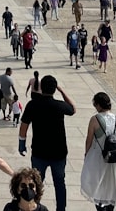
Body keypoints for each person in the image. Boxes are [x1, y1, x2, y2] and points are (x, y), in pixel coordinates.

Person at [19, 75, 76, 211]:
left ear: (40, 88)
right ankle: (61, 209)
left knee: (35, 184)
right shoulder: (59, 105)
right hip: (59, 152)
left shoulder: (33, 105)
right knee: (60, 184)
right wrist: (62, 91)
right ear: (54, 89)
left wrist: (22, 143)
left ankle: (33, 207)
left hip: (39, 151)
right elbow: (73, 109)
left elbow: (24, 125)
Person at [79, 92, 116, 211]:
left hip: (99, 158)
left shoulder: (95, 119)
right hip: (115, 159)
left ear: (98, 105)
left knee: (97, 187)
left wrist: (86, 155)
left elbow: (89, 140)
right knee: (112, 187)